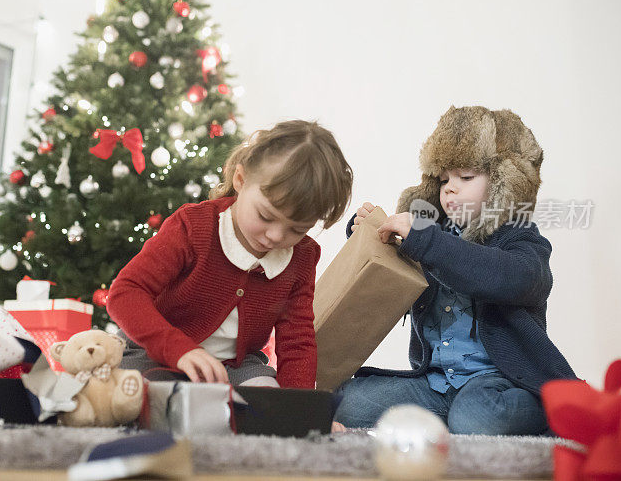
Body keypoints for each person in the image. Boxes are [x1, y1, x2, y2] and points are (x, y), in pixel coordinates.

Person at [334, 105, 577, 434]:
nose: (450, 188)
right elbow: (394, 279)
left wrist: (426, 240)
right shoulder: (433, 235)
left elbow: (509, 277)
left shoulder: (521, 239)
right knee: (348, 403)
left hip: (497, 383)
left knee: (477, 418)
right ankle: (445, 420)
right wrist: (369, 235)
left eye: (466, 177)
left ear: (502, 184)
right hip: (435, 384)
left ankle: (544, 408)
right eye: (444, 178)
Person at [107, 120, 353, 388]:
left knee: (267, 402)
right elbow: (125, 292)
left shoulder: (302, 256)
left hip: (235, 368)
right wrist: (179, 350)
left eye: (297, 229)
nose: (276, 237)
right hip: (155, 352)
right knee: (135, 395)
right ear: (240, 179)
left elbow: (297, 340)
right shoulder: (194, 225)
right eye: (265, 216)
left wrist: (300, 410)